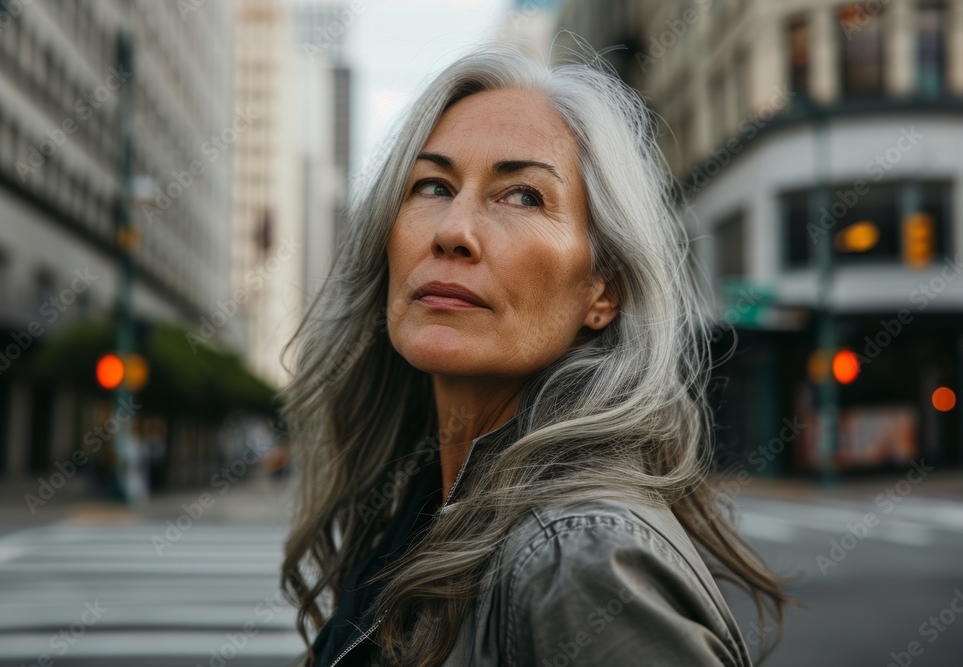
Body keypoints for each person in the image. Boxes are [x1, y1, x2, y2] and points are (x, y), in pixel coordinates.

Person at [279, 42, 792, 667]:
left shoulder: (580, 560)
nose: (453, 230)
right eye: (433, 185)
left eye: (522, 196)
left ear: (604, 289)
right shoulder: (421, 508)